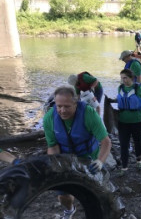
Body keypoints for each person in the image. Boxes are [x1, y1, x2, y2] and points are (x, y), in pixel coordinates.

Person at [43, 85, 112, 219]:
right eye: (59, 106)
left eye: (67, 106)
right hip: (65, 159)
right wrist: (55, 166)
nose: (62, 110)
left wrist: (100, 161)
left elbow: (105, 142)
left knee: (94, 194)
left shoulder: (89, 114)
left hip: (88, 158)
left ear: (76, 103)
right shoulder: (49, 118)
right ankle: (70, 210)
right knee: (63, 195)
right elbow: (52, 147)